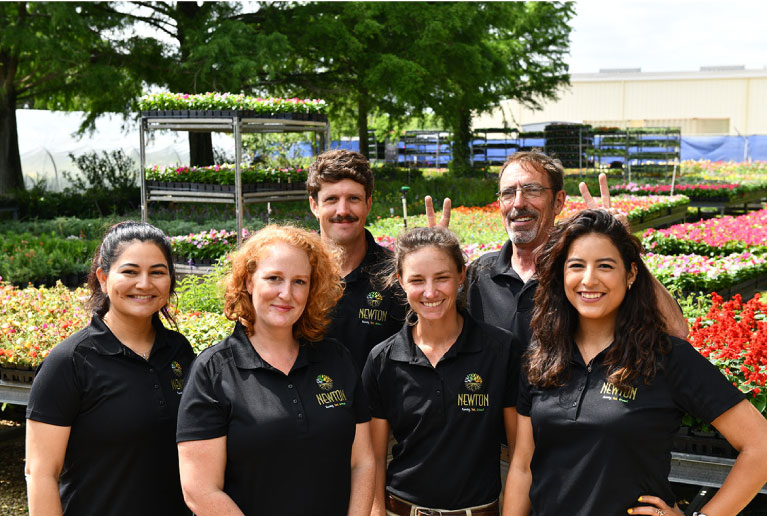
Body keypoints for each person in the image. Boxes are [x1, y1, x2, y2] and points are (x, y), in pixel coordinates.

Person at [504, 209, 767, 516]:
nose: (589, 279)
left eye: (605, 266)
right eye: (576, 266)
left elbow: (760, 446)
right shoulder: (542, 356)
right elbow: (523, 467)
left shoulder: (666, 357)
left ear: (630, 274)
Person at [176, 225, 375, 516]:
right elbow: (200, 490)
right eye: (274, 278)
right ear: (247, 281)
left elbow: (363, 461)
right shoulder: (213, 371)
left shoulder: (336, 358)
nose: (286, 293)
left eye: (299, 282)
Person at [25, 221, 195, 516]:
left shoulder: (179, 351)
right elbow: (40, 473)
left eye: (157, 272)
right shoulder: (69, 362)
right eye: (130, 272)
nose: (144, 284)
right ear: (103, 279)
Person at [363, 226, 521, 516]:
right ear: (400, 281)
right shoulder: (382, 360)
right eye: (417, 280)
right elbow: (371, 459)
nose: (430, 292)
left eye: (442, 278)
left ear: (462, 275)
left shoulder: (500, 350)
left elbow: (521, 455)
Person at [466, 150, 689, 345]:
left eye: (532, 190)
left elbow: (676, 329)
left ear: (558, 202)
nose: (518, 203)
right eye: (508, 193)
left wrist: (621, 247)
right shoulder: (480, 273)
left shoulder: (581, 272)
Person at [307, 149, 450, 371]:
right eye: (332, 199)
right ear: (314, 206)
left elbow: (440, 335)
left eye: (353, 199)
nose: (343, 210)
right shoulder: (297, 274)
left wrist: (437, 260)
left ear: (368, 204)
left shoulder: (397, 274)